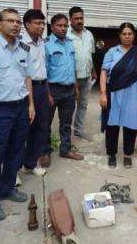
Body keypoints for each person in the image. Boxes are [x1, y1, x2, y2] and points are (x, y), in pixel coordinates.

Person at [0, 8, 35, 221]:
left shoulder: (24, 49)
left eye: (18, 22)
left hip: (21, 107)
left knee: (17, 151)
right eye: (10, 21)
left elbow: (27, 78)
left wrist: (31, 105)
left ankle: (8, 188)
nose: (15, 25)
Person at [99, 22, 137, 168]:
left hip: (132, 96)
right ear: (119, 36)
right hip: (113, 95)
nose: (127, 37)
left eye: (130, 34)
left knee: (131, 126)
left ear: (134, 35)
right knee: (112, 126)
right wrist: (103, 94)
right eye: (124, 34)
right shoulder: (112, 52)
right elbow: (104, 72)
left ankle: (127, 155)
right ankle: (112, 155)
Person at [42, 13, 84, 163]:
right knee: (45, 123)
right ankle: (45, 152)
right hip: (53, 89)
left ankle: (65, 150)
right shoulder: (46, 45)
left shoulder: (70, 43)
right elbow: (43, 72)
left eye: (65, 25)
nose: (63, 28)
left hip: (69, 90)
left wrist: (76, 87)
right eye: (59, 25)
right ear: (52, 27)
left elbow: (72, 67)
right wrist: (47, 94)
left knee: (66, 123)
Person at [20, 9, 49, 177]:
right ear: (27, 24)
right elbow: (24, 74)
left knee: (40, 128)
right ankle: (13, 170)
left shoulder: (41, 43)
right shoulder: (20, 43)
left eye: (42, 23)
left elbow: (43, 69)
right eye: (37, 23)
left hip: (41, 88)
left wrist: (46, 92)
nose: (41, 26)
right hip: (25, 89)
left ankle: (31, 164)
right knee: (23, 129)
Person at [67, 6, 96, 142]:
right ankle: (65, 133)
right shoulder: (66, 35)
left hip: (87, 77)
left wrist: (93, 71)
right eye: (76, 18)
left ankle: (78, 130)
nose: (79, 21)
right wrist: (74, 81)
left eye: (81, 18)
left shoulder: (89, 34)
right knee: (69, 105)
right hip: (72, 78)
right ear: (70, 20)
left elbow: (90, 55)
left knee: (83, 104)